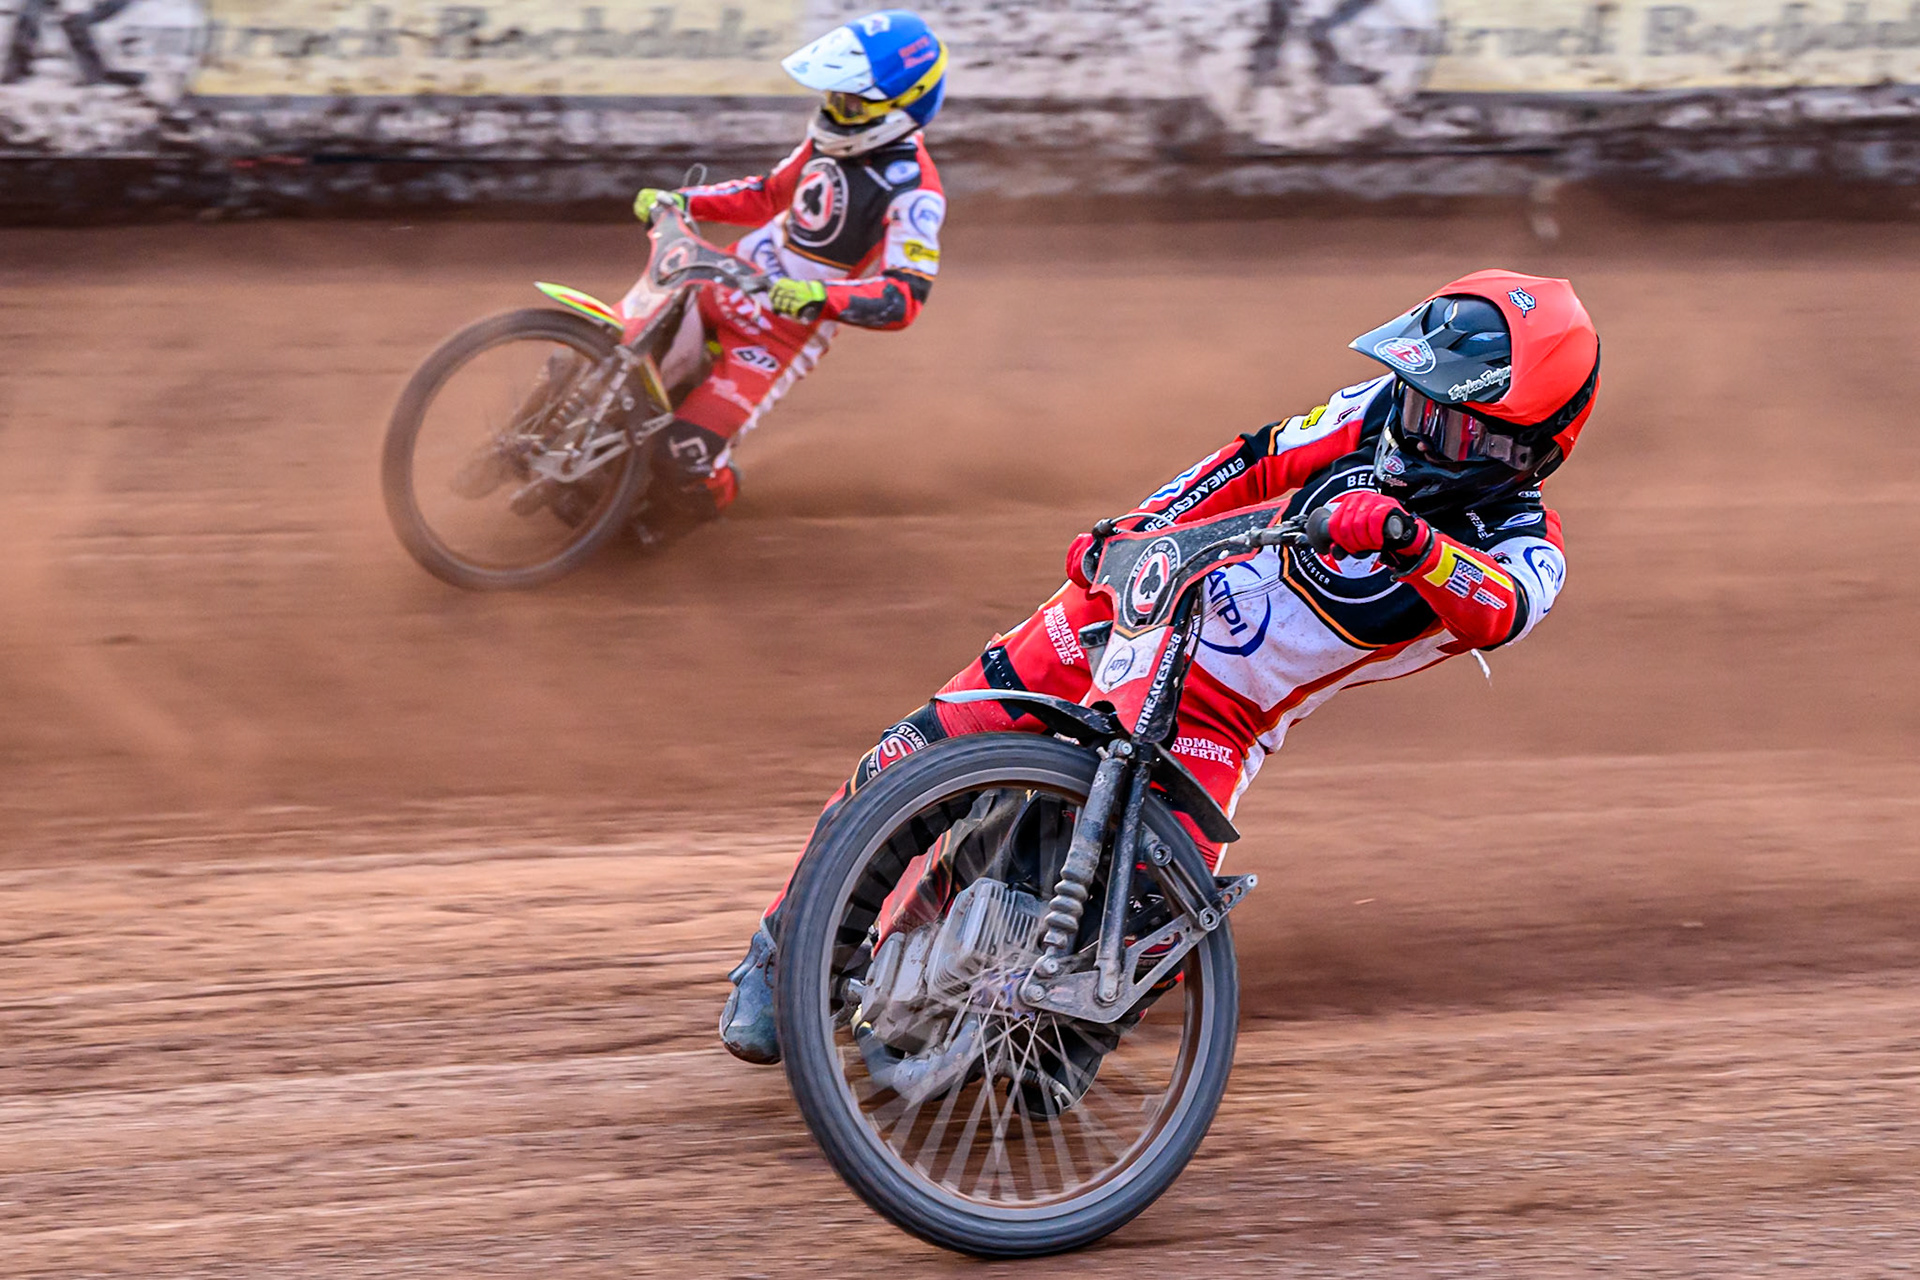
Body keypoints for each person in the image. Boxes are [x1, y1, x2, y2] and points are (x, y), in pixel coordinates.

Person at [718, 269, 1601, 1065]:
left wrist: (1407, 539)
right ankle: (790, 950)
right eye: (1412, 396)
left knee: (1145, 938)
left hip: (1225, 715)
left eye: (1443, 415)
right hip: (1137, 606)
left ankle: (1023, 1033)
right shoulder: (1376, 413)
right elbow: (1255, 459)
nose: (1411, 420)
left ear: (1523, 450)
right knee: (908, 761)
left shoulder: (1529, 547)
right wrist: (1143, 526)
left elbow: (1500, 612)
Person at [625, 9, 948, 546]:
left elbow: (903, 296)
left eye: (849, 102)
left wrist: (817, 295)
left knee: (679, 459)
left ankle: (714, 489)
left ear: (901, 105)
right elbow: (766, 195)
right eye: (832, 98)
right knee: (619, 360)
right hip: (722, 280)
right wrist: (682, 200)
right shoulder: (830, 140)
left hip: (776, 335)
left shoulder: (915, 191)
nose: (834, 110)